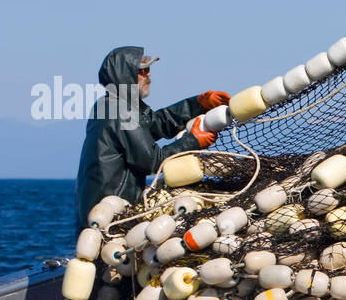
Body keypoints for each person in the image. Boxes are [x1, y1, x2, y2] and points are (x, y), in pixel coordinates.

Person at [74, 45, 229, 234]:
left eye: (148, 70)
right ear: (125, 76)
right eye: (142, 71)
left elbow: (158, 123)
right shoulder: (119, 111)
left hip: (103, 208)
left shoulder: (116, 104)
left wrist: (198, 103)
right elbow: (153, 161)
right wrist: (194, 141)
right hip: (108, 212)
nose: (148, 75)